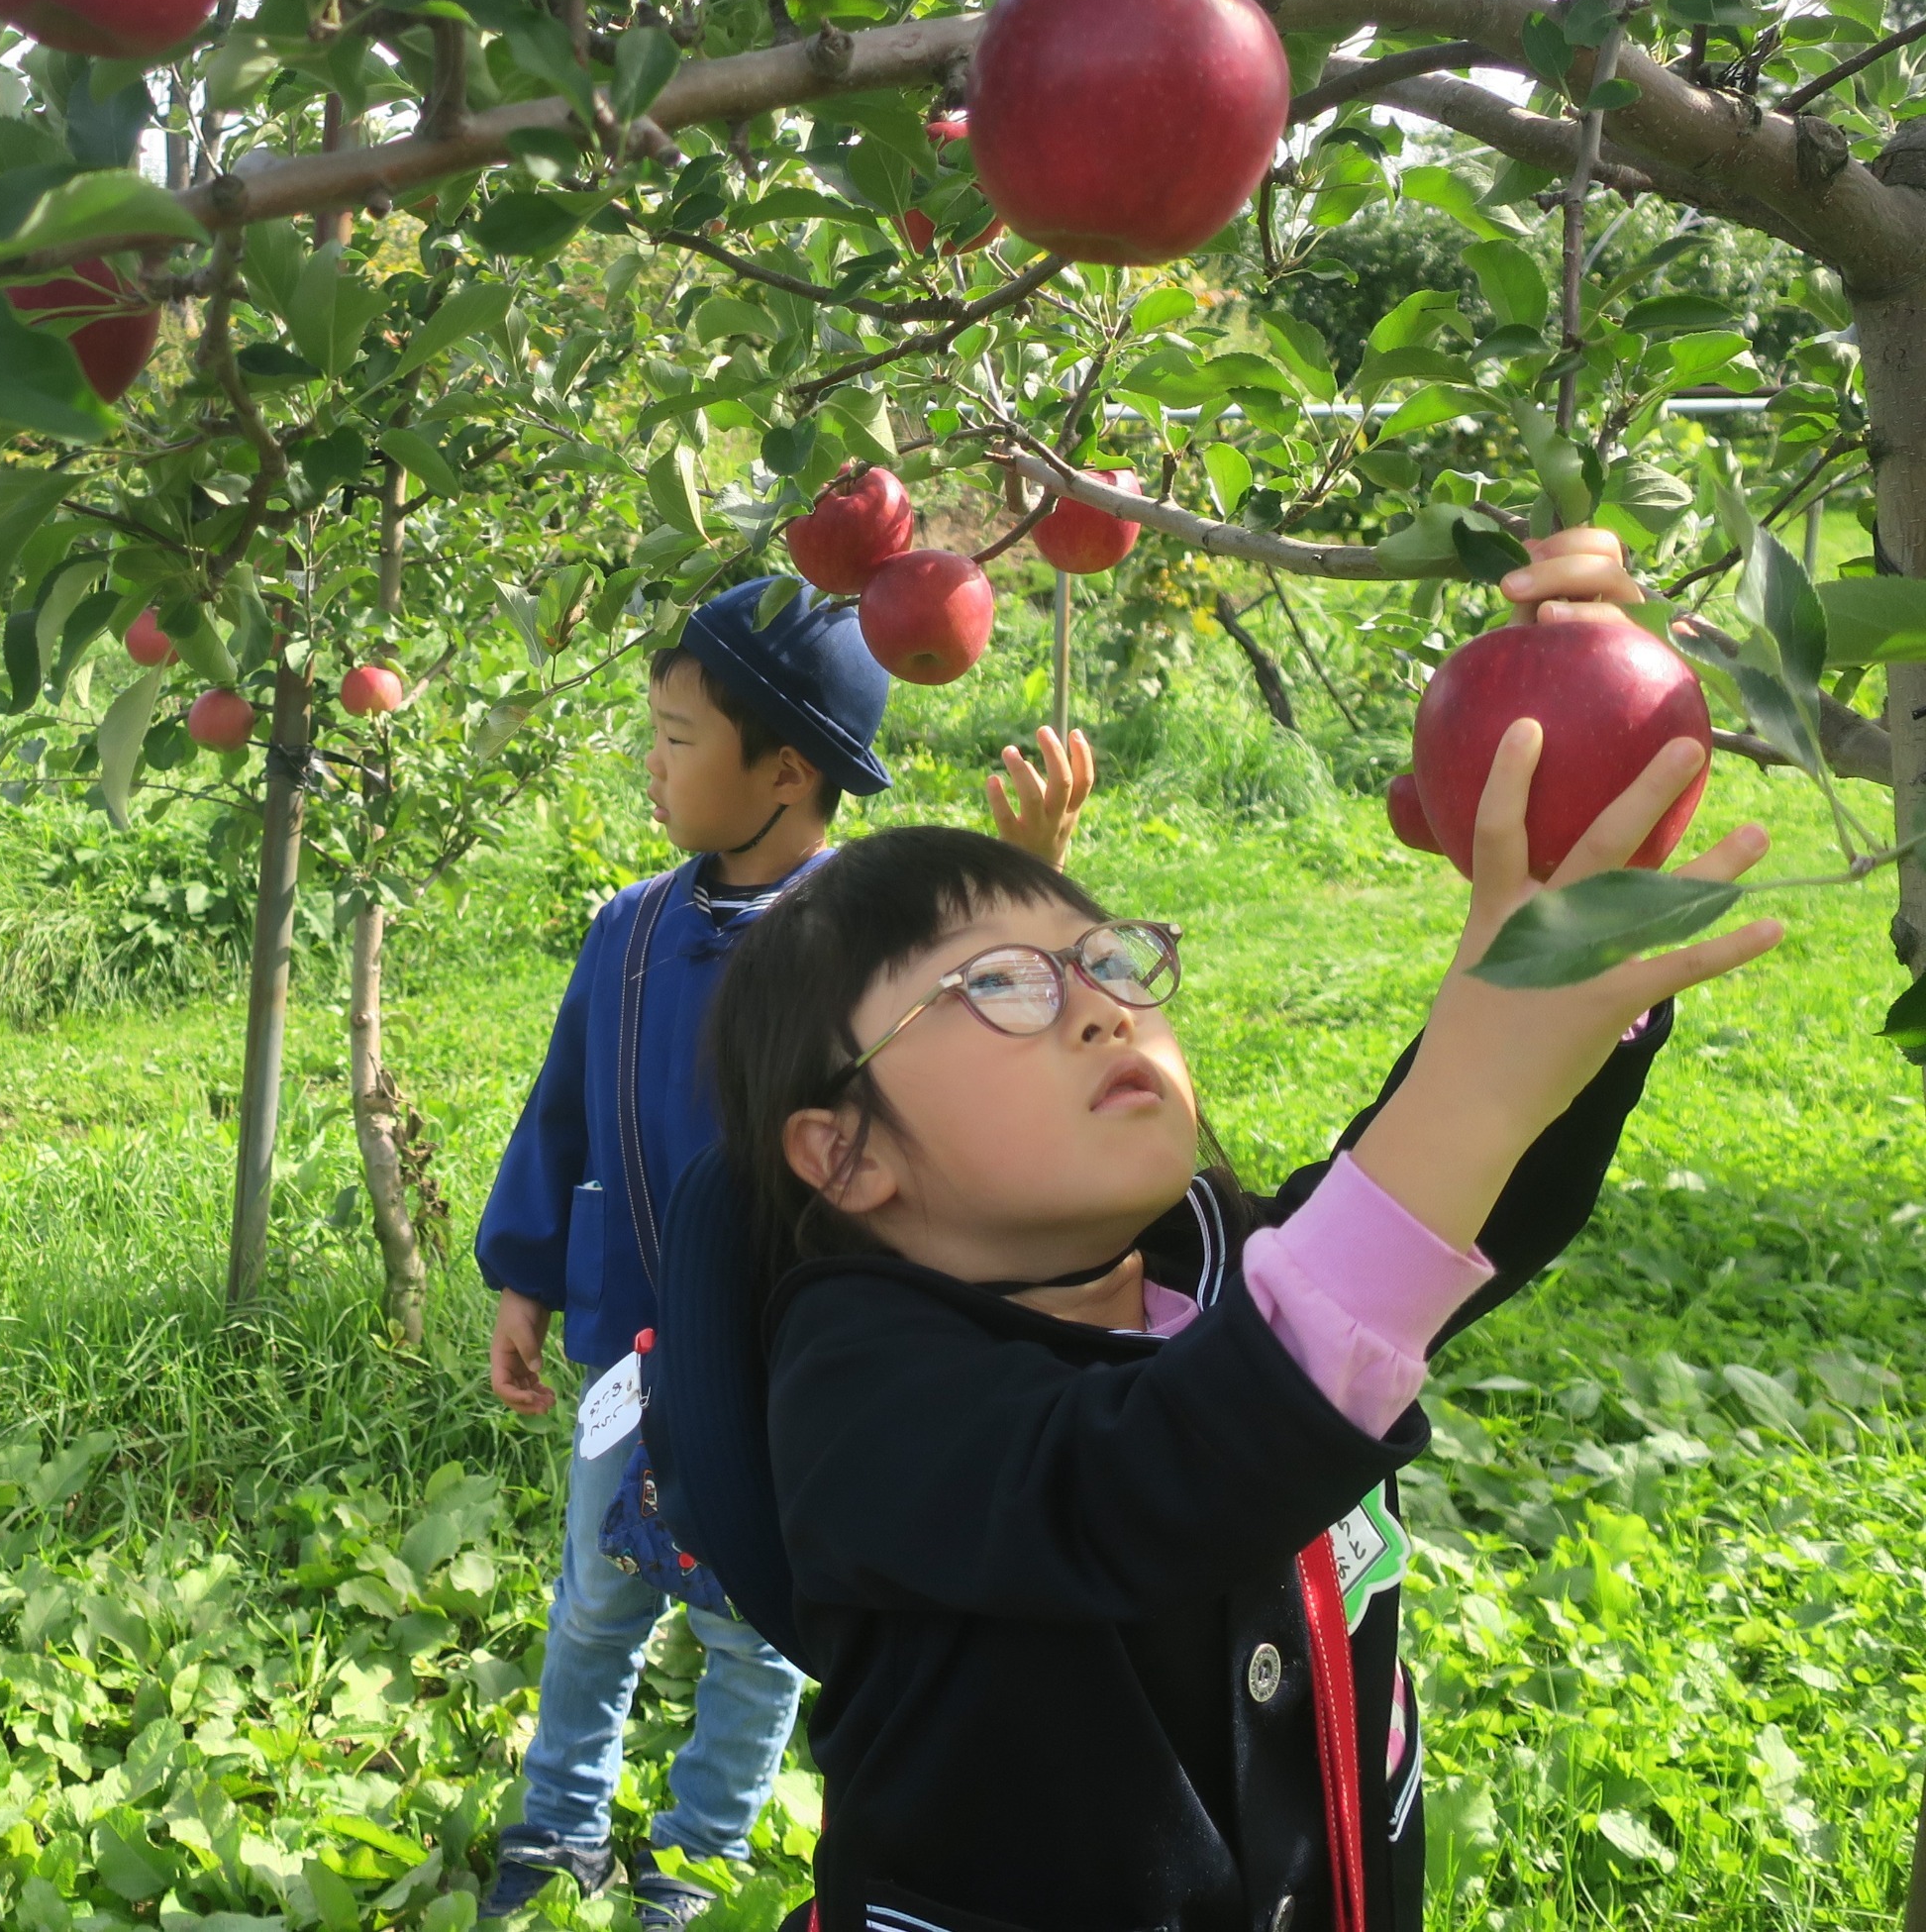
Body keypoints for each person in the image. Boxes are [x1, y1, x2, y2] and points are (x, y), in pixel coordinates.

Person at [693, 536, 1781, 1932]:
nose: (1099, 1003)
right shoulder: (864, 1392)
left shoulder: (1215, 1262)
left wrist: (1571, 941)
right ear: (841, 1149)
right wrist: (1469, 1075)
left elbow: (1458, 1219)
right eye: (1006, 986)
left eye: (1108, 959)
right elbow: (1157, 1477)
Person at [473, 575, 1093, 1927]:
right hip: (629, 1363)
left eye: (680, 736)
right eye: (655, 728)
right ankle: (561, 1821)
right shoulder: (626, 930)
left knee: (754, 1640)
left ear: (788, 769)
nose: (652, 758)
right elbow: (561, 1105)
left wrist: (1032, 885)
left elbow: (997, 1045)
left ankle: (696, 1850)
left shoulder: (863, 952)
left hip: (778, 1390)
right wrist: (525, 1271)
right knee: (591, 1608)